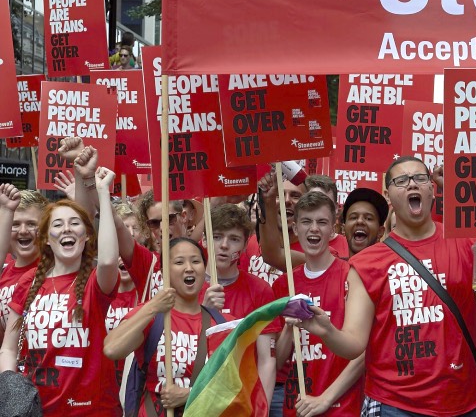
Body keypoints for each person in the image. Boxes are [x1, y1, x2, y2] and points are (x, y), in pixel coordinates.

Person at [288, 156, 476, 417]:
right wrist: (327, 331)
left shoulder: (470, 245)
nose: (412, 184)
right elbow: (353, 343)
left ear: (432, 189)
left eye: (420, 178)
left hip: (465, 403)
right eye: (402, 180)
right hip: (394, 406)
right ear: (389, 195)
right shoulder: (367, 263)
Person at [0, 167, 121, 415]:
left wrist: (102, 193)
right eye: (58, 224)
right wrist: (12, 395)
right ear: (46, 238)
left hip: (91, 410)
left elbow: (109, 261)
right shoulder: (29, 281)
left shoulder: (94, 281)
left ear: (86, 235)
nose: (66, 229)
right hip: (36, 409)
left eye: (75, 223)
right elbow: (9, 348)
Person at [104, 237, 228, 416]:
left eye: (196, 261)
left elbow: (233, 390)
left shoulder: (221, 325)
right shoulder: (152, 317)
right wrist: (153, 306)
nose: (189, 268)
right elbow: (112, 349)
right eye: (179, 262)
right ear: (164, 273)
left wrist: (191, 394)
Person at [271, 191, 363, 416]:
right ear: (295, 228)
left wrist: (325, 399)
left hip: (342, 407)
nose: (314, 229)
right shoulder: (284, 284)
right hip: (297, 407)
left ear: (333, 229)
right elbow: (277, 362)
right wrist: (289, 326)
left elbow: (363, 352)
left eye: (322, 222)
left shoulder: (352, 275)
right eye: (306, 222)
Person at [208, 203, 277, 407]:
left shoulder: (260, 290)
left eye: (234, 239)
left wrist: (261, 410)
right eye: (217, 236)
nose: (224, 245)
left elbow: (267, 360)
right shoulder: (187, 286)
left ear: (246, 245)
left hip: (242, 401)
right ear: (204, 239)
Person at [0, 186, 45, 347]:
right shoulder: (3, 272)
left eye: (31, 224)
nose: (23, 231)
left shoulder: (56, 269)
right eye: (15, 224)